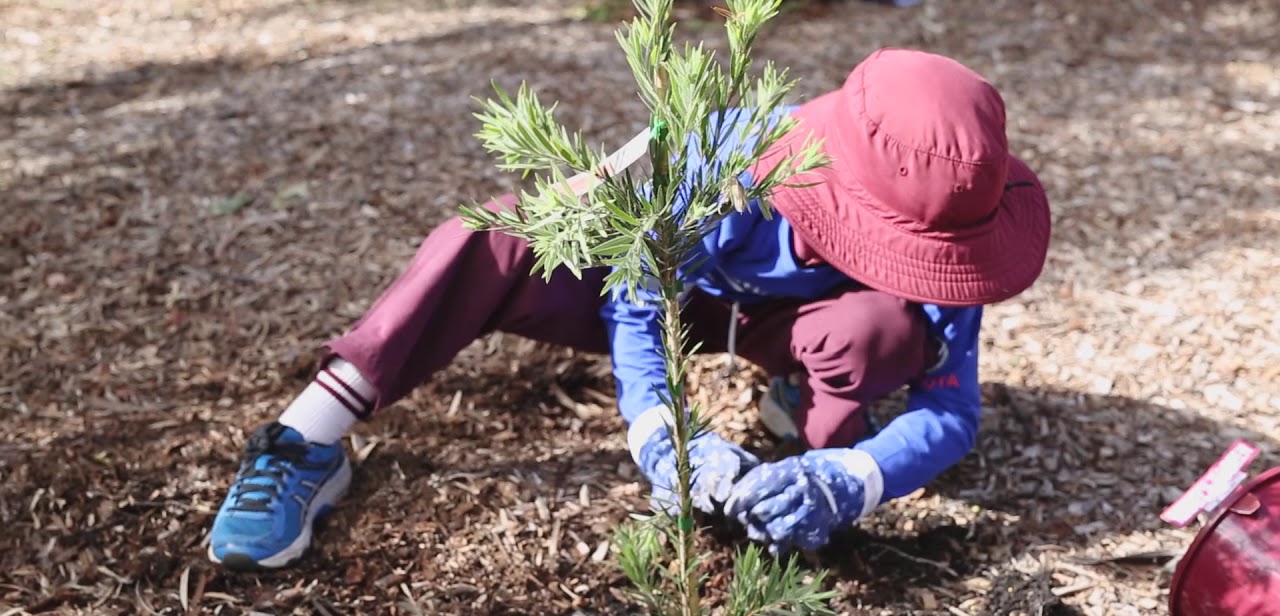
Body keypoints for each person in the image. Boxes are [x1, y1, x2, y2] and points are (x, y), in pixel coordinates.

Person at [207, 47, 1051, 570]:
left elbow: (951, 408)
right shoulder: (732, 156)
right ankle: (303, 442)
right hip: (681, 298)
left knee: (879, 332)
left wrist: (853, 480)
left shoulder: (954, 225)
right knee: (493, 236)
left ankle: (812, 419)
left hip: (795, 332)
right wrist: (658, 430)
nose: (921, 263)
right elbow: (640, 297)